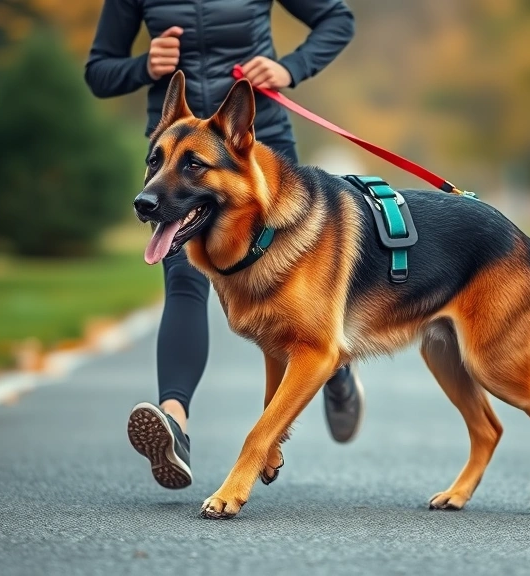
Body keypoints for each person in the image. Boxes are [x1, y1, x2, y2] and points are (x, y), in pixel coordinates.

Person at [85, 0, 362, 490]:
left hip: (253, 148)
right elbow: (99, 71)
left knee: (300, 301)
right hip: (177, 158)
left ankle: (330, 364)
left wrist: (289, 68)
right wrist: (144, 66)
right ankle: (174, 420)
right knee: (184, 281)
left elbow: (337, 19)